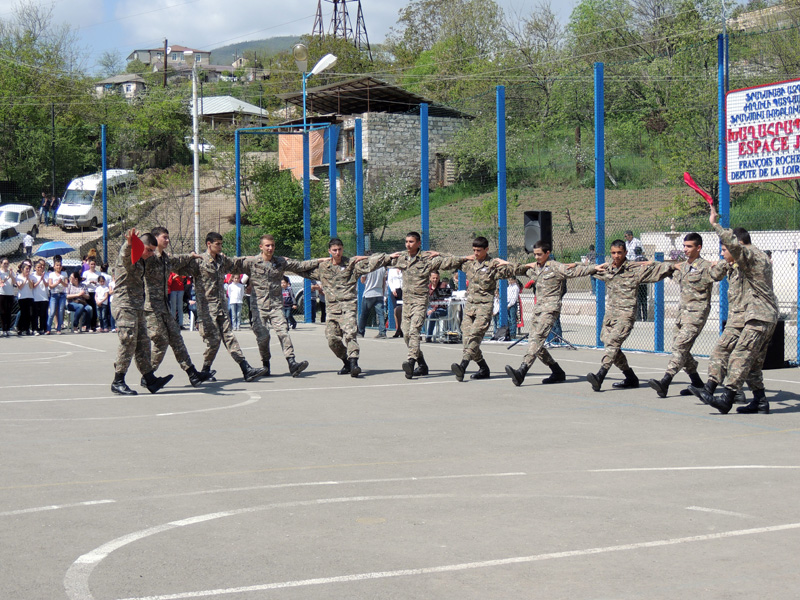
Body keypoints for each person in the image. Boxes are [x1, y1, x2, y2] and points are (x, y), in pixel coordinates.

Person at [690, 206, 779, 414]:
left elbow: (733, 246)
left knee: (740, 355)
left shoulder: (751, 255)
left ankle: (727, 399)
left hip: (759, 316)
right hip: (758, 315)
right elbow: (716, 272)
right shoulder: (745, 260)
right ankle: (760, 401)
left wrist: (715, 224)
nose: (722, 252)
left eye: (725, 249)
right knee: (753, 363)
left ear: (737, 245)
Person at [505, 241, 599, 386]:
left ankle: (522, 371)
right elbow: (521, 270)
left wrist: (594, 268)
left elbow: (575, 272)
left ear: (547, 253)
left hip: (550, 309)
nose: (536, 257)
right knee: (535, 343)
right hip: (538, 309)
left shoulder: (556, 267)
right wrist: (510, 263)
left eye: (539, 254)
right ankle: (557, 371)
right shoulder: (536, 268)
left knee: (537, 339)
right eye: (535, 254)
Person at [293, 238, 390, 377]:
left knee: (350, 334)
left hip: (348, 306)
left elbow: (372, 263)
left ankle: (354, 363)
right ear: (329, 251)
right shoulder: (323, 268)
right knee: (332, 340)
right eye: (334, 250)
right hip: (332, 309)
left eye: (339, 249)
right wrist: (318, 260)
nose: (337, 252)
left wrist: (381, 256)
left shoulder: (351, 264)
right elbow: (301, 269)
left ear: (342, 249)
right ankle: (346, 362)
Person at [586, 239, 675, 391]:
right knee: (609, 344)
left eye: (619, 253)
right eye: (613, 253)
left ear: (626, 252)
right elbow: (586, 270)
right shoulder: (608, 269)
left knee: (613, 342)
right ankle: (630, 377)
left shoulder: (634, 270)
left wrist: (666, 265)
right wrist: (588, 267)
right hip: (610, 315)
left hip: (626, 315)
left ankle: (600, 375)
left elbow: (659, 270)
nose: (616, 256)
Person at [647, 232, 728, 398]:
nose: (685, 249)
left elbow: (719, 273)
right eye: (684, 246)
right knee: (680, 348)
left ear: (699, 248)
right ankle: (696, 382)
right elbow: (663, 270)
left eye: (689, 246)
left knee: (680, 347)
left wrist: (720, 262)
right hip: (682, 314)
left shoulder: (706, 267)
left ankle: (665, 381)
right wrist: (668, 266)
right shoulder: (682, 266)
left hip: (696, 314)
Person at [180, 232, 268, 382]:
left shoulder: (221, 260)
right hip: (207, 310)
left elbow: (237, 262)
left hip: (221, 306)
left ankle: (246, 369)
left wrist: (256, 258)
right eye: (217, 244)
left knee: (229, 337)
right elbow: (178, 267)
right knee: (213, 342)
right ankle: (205, 371)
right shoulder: (198, 262)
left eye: (221, 244)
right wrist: (188, 257)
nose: (220, 246)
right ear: (209, 244)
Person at [233, 234, 326, 377]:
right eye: (267, 245)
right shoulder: (251, 262)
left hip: (276, 306)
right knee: (263, 337)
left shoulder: (280, 262)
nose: (270, 248)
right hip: (258, 308)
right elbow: (231, 264)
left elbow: (300, 265)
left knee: (283, 332)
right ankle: (266, 365)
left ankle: (292, 362)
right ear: (261, 247)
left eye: (272, 245)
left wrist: (320, 260)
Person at [387, 231, 467, 379]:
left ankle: (411, 362)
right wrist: (387, 257)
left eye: (411, 242)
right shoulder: (402, 257)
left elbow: (452, 261)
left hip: (420, 301)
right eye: (406, 241)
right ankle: (422, 364)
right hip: (407, 301)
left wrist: (440, 253)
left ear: (418, 243)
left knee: (414, 331)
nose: (408, 244)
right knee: (406, 334)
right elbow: (382, 261)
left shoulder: (427, 258)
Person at [143, 226, 209, 388]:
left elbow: (178, 259)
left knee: (176, 338)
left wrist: (191, 256)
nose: (167, 240)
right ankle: (148, 376)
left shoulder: (166, 258)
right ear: (155, 238)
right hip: (151, 308)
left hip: (164, 306)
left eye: (168, 237)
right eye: (164, 237)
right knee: (161, 340)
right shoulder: (148, 258)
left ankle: (192, 374)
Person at [110, 229, 172, 395]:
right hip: (124, 305)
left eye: (153, 251)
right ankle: (118, 381)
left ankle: (150, 379)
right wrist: (129, 244)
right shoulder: (129, 256)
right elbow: (125, 255)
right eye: (149, 250)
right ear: (140, 246)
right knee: (128, 341)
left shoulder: (143, 261)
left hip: (137, 306)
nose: (151, 254)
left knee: (143, 343)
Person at [450, 237, 520, 381]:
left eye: (479, 250)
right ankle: (483, 368)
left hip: (484, 307)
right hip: (470, 307)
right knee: (467, 339)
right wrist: (464, 257)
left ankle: (463, 366)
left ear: (486, 250)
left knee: (475, 336)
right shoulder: (470, 263)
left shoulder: (492, 265)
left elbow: (516, 270)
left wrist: (505, 262)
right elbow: (449, 262)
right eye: (474, 250)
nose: (475, 253)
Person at [358, 259, 387, 338]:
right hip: (379, 293)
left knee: (364, 314)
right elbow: (384, 282)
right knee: (380, 314)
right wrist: (383, 293)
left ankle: (360, 332)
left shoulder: (367, 267)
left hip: (369, 294)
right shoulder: (382, 268)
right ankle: (382, 332)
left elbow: (362, 280)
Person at [46, 256, 68, 334]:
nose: (58, 267)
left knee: (61, 311)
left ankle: (59, 328)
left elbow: (66, 284)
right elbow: (50, 286)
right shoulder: (51, 274)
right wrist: (57, 283)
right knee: (52, 312)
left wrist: (61, 282)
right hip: (54, 295)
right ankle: (48, 328)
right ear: (54, 266)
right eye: (57, 265)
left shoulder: (64, 273)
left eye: (60, 265)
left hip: (62, 294)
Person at [425, 271, 449, 343]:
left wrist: (433, 309)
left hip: (441, 309)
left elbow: (440, 299)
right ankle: (417, 335)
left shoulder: (443, 285)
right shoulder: (427, 287)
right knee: (419, 314)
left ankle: (428, 336)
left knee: (432, 314)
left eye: (437, 278)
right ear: (430, 278)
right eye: (433, 278)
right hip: (429, 307)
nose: (435, 280)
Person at [30, 259, 49, 335]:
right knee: (35, 314)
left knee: (43, 314)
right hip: (35, 298)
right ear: (35, 268)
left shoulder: (46, 275)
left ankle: (42, 328)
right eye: (38, 267)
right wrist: (40, 279)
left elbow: (46, 285)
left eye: (41, 267)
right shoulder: (32, 276)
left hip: (44, 298)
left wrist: (43, 278)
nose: (40, 268)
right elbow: (33, 286)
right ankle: (34, 329)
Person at [0, 257, 18, 336]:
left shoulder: (10, 272)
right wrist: (8, 277)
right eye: (4, 263)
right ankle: (3, 329)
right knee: (3, 312)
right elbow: (1, 282)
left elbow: (14, 283)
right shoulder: (0, 272)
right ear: (1, 264)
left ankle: (8, 329)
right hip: (2, 294)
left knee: (9, 312)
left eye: (7, 263)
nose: (6, 265)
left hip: (10, 294)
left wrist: (11, 275)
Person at [15, 262, 34, 335]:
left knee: (29, 314)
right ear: (22, 269)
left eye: (29, 269)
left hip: (30, 297)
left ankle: (27, 328)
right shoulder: (18, 277)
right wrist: (25, 279)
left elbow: (31, 287)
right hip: (22, 297)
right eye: (26, 269)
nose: (28, 270)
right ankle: (20, 328)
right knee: (23, 313)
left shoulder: (31, 277)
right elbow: (20, 287)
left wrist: (28, 279)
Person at [387, 267, 403, 337]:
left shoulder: (404, 268)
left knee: (403, 309)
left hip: (403, 290)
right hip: (395, 291)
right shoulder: (391, 270)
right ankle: (398, 329)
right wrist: (393, 290)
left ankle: (403, 329)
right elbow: (390, 281)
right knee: (396, 310)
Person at [634, 246, 648, 321]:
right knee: (644, 300)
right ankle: (645, 317)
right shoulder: (645, 259)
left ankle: (639, 317)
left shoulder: (636, 261)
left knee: (638, 300)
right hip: (645, 282)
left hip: (638, 282)